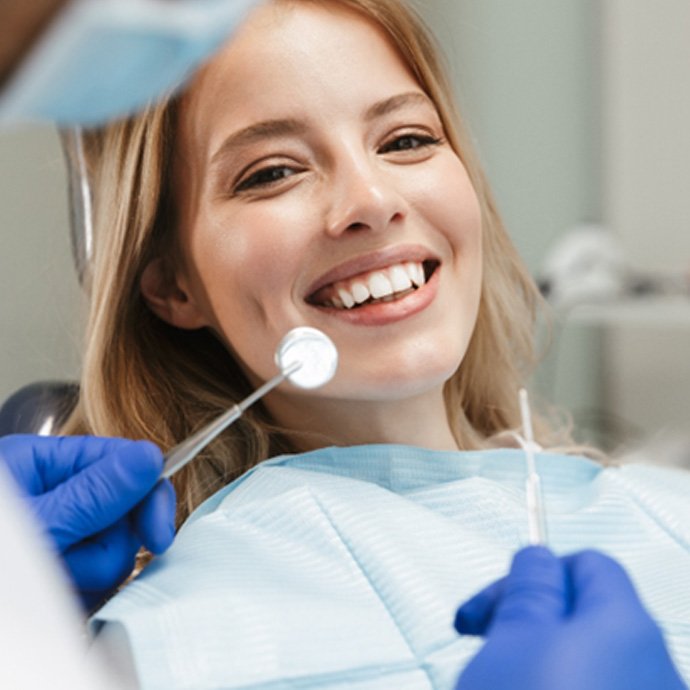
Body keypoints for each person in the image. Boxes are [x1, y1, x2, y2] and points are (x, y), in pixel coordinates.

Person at [59, 1, 690, 688]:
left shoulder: (662, 511)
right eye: (272, 172)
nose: (371, 199)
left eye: (406, 140)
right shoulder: (163, 640)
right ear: (173, 286)